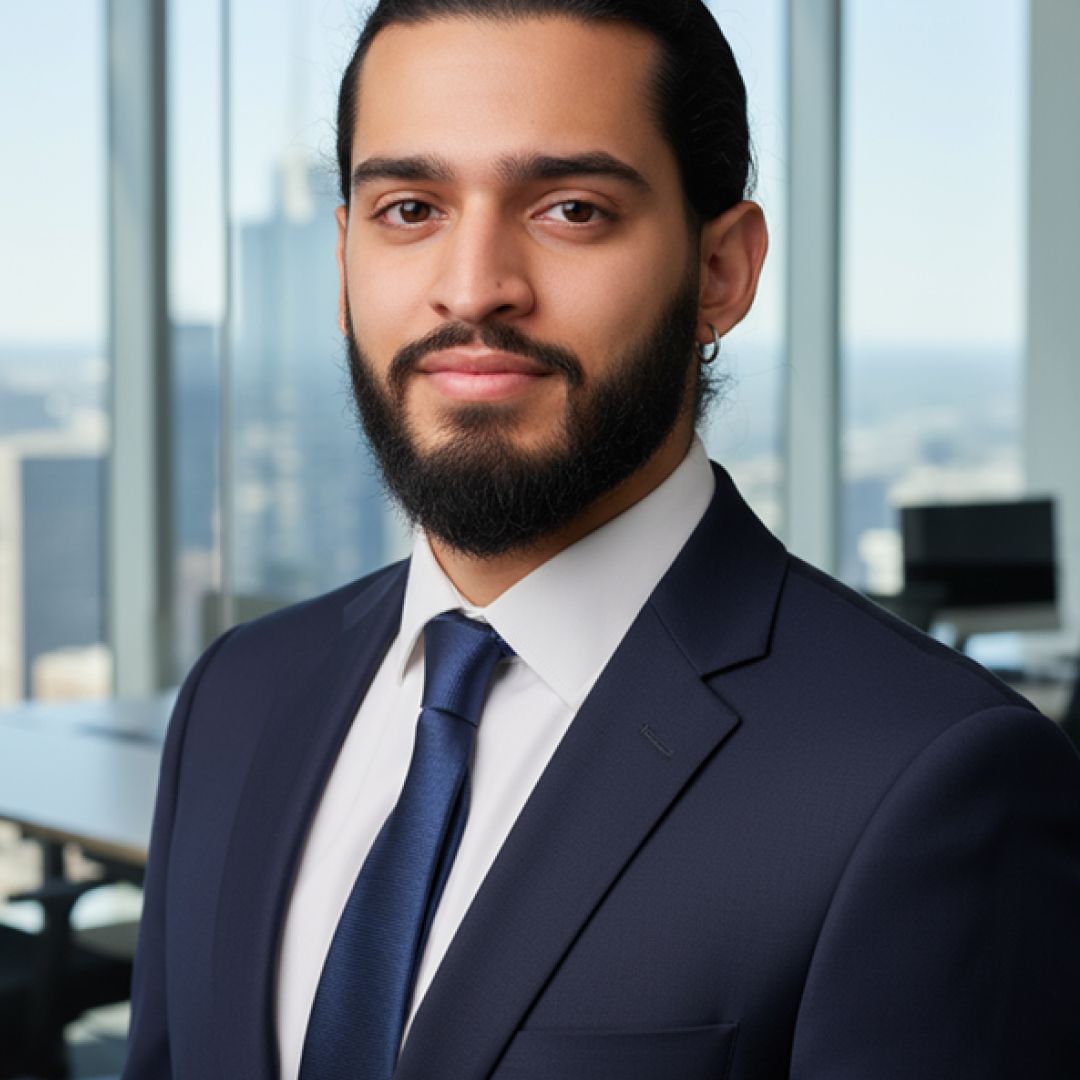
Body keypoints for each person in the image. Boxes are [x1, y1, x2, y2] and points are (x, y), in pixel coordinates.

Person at [122, 2, 1080, 1077]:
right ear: (344, 257)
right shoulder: (237, 698)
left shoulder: (928, 779)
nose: (474, 286)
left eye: (571, 208)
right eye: (409, 208)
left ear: (721, 270)